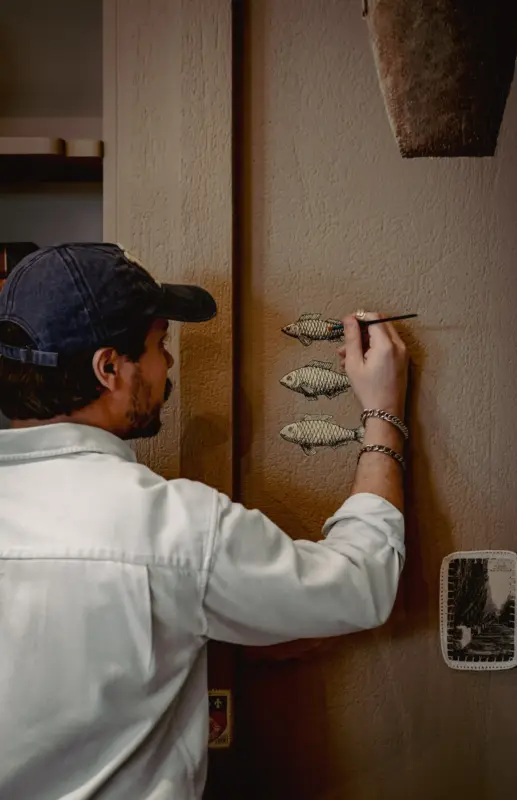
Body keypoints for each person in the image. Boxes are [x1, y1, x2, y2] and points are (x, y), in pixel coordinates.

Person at [0, 243, 409, 800]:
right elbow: (361, 582)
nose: (168, 365)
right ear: (109, 368)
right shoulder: (171, 528)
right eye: (159, 344)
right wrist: (382, 413)